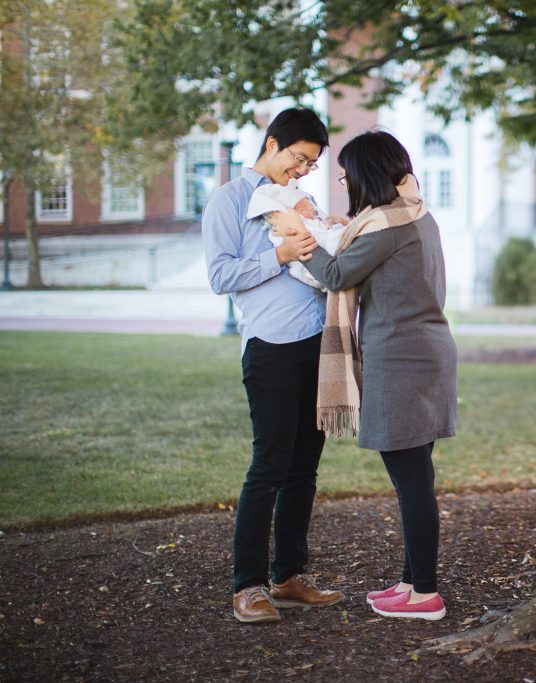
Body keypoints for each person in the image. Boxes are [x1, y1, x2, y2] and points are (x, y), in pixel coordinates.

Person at [270, 130, 457, 621]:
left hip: (403, 361)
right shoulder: (414, 214)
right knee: (415, 475)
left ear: (366, 173)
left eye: (347, 172)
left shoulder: (386, 227)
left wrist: (298, 235)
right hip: (426, 353)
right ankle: (411, 582)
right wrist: (343, 229)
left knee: (412, 481)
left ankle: (426, 595)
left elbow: (335, 275)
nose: (344, 179)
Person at [202, 107, 343, 624]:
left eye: (311, 165)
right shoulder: (230, 201)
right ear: (273, 143)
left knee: (304, 467)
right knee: (269, 466)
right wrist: (279, 255)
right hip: (271, 347)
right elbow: (219, 275)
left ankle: (288, 576)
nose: (303, 171)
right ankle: (248, 584)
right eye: (300, 159)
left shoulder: (302, 201)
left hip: (318, 344)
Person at [246, 183, 346, 290]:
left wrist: (337, 226)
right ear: (290, 213)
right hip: (318, 268)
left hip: (329, 268)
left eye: (313, 210)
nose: (312, 212)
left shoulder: (314, 220)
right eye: (304, 209)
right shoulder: (284, 229)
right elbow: (324, 239)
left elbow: (325, 234)